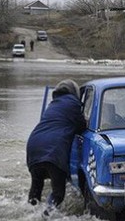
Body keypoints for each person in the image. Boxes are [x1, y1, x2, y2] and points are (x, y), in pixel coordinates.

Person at [26, 79, 86, 211]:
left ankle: (30, 213)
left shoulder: (53, 104)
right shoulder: (73, 104)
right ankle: (46, 216)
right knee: (58, 194)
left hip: (33, 145)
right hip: (53, 150)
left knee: (36, 189)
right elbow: (82, 126)